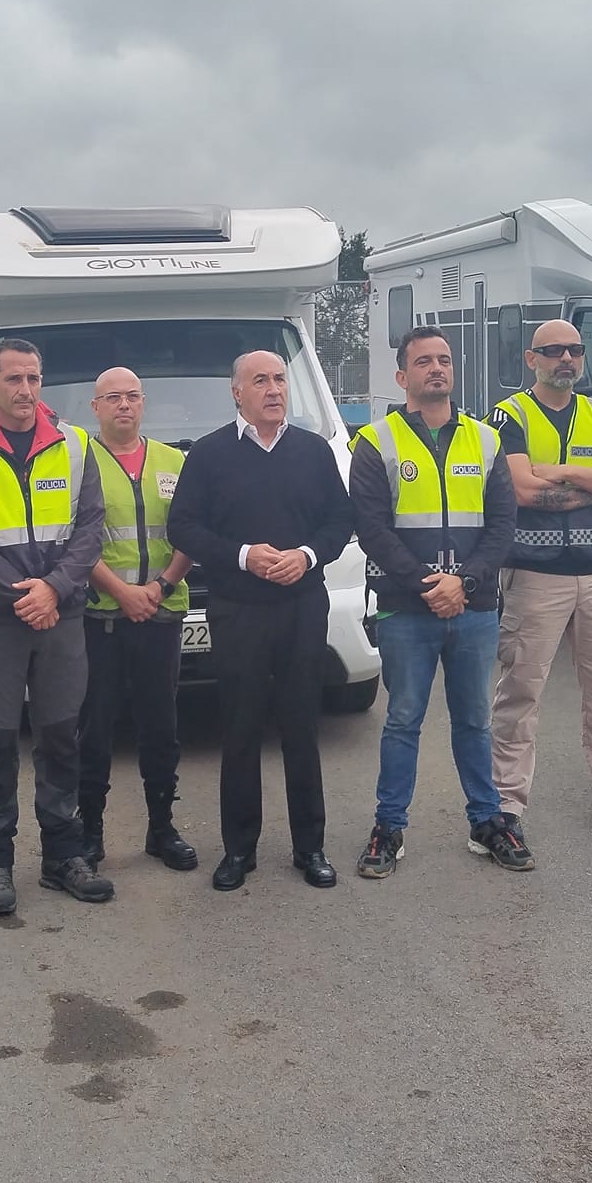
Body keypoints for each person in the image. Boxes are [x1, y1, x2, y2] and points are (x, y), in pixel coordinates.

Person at [0, 337, 112, 913]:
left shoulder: (77, 445)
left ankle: (63, 856)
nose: (25, 390)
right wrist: (25, 592)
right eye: (13, 379)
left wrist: (54, 588)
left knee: (61, 737)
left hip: (60, 616)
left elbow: (90, 528)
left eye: (33, 378)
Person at [168, 350, 354, 892]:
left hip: (300, 607)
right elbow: (184, 526)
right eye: (260, 381)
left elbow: (340, 519)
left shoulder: (313, 451)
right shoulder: (208, 455)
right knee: (241, 728)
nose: (274, 389)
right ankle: (239, 850)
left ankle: (310, 847)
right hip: (238, 609)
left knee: (301, 726)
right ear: (236, 392)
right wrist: (244, 555)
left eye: (279, 379)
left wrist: (308, 556)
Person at [350, 327, 523, 876]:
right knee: (402, 720)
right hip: (406, 610)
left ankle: (487, 822)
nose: (437, 369)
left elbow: (502, 527)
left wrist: (464, 584)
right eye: (423, 361)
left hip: (473, 610)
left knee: (474, 720)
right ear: (402, 376)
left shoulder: (487, 440)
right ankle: (389, 828)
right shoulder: (375, 442)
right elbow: (372, 529)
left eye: (444, 360)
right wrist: (431, 583)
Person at [488, 319, 592, 847]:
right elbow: (521, 492)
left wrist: (557, 470)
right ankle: (506, 803)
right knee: (520, 692)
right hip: (535, 575)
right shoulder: (508, 415)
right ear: (531, 360)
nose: (567, 358)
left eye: (575, 350)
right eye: (554, 350)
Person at [75, 367, 199, 872]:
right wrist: (122, 592)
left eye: (132, 397)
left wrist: (161, 586)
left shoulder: (175, 461)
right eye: (112, 398)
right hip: (102, 618)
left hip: (161, 615)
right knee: (95, 728)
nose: (123, 405)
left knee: (161, 728)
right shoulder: (80, 462)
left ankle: (161, 829)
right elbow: (74, 540)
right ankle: (90, 833)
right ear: (95, 406)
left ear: (143, 404)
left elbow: (192, 530)